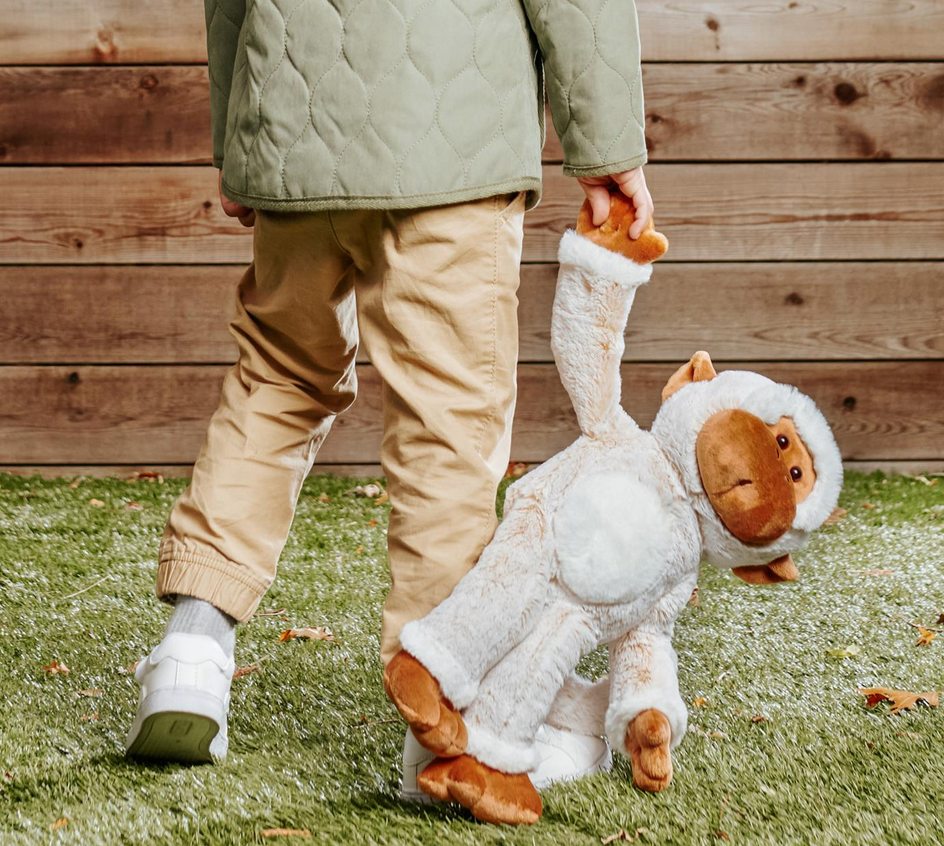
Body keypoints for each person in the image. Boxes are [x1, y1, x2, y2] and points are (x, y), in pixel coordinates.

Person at [125, 0, 655, 798]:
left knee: (277, 377)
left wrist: (240, 138)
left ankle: (192, 652)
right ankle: (441, 725)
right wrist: (608, 148)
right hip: (453, 144)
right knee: (449, 425)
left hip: (290, 125)